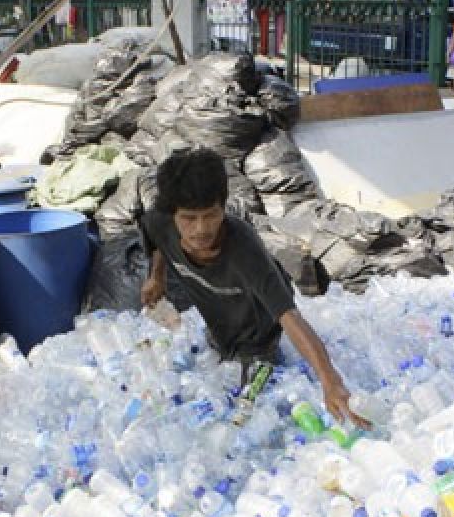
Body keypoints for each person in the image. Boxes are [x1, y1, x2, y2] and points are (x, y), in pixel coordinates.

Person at [139, 151, 367, 428]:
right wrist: (157, 276)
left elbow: (289, 317)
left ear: (223, 206)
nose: (201, 229)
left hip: (258, 330)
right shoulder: (159, 222)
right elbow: (154, 237)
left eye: (210, 215)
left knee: (246, 411)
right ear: (172, 214)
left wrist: (330, 380)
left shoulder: (244, 250)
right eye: (189, 218)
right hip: (219, 319)